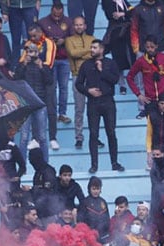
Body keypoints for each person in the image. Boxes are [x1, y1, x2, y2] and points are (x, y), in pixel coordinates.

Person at [75, 39, 124, 174]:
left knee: (111, 133)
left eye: (95, 47)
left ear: (102, 50)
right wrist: (88, 91)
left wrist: (102, 71)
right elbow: (78, 84)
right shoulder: (86, 65)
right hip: (93, 103)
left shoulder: (110, 63)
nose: (92, 50)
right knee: (93, 134)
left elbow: (115, 80)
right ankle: (94, 164)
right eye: (91, 47)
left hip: (108, 101)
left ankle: (114, 162)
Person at [14, 40, 55, 165]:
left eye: (34, 52)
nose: (32, 54)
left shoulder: (44, 65)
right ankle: (22, 165)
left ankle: (45, 164)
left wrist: (41, 67)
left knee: (42, 136)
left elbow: (49, 81)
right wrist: (23, 65)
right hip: (26, 105)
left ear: (38, 53)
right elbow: (16, 79)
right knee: (24, 137)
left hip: (40, 103)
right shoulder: (22, 65)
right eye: (30, 52)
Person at [127, 36, 164, 120]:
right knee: (152, 128)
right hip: (150, 100)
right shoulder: (141, 61)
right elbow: (129, 77)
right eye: (147, 47)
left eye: (152, 47)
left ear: (156, 46)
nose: (150, 49)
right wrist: (138, 94)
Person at [39, 0, 74, 126]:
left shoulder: (69, 21)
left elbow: (73, 39)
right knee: (51, 88)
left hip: (64, 59)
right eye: (55, 14)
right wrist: (50, 41)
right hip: (50, 61)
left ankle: (62, 113)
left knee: (64, 87)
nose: (57, 16)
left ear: (62, 11)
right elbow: (39, 40)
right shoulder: (43, 22)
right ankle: (52, 113)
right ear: (51, 10)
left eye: (59, 14)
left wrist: (63, 41)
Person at [66, 17, 94, 150]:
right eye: (76, 25)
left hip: (93, 77)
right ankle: (79, 137)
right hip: (78, 77)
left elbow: (95, 54)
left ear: (85, 26)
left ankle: (95, 136)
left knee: (94, 109)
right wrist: (88, 51)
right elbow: (73, 53)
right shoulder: (69, 40)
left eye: (81, 25)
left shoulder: (91, 38)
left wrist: (85, 53)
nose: (78, 27)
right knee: (79, 109)